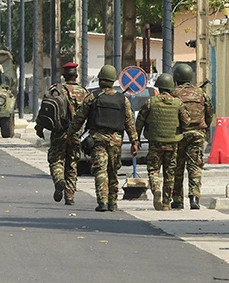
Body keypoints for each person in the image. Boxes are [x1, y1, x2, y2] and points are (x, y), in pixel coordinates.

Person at [67, 64, 137, 212]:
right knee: (113, 170)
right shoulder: (122, 100)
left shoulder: (92, 97)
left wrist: (70, 133)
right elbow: (130, 122)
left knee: (100, 170)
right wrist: (134, 142)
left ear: (100, 80)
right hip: (116, 141)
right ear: (113, 81)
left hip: (98, 140)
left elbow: (79, 118)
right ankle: (113, 202)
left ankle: (102, 201)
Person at [35, 58, 91, 206]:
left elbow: (44, 110)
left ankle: (59, 180)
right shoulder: (84, 92)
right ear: (76, 75)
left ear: (64, 75)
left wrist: (39, 128)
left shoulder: (55, 90)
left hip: (58, 132)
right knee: (72, 164)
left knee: (55, 160)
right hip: (76, 134)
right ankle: (70, 196)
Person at [170, 63, 213, 210]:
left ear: (176, 77)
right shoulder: (200, 93)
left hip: (179, 134)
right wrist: (204, 128)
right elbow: (209, 113)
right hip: (197, 134)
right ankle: (194, 198)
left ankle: (177, 200)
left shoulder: (173, 93)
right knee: (195, 167)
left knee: (177, 167)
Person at [136, 74, 182, 211]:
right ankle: (167, 203)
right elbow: (186, 121)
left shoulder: (150, 102)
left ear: (159, 87)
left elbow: (140, 122)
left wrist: (136, 139)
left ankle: (156, 189)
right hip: (172, 142)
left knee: (153, 170)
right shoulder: (178, 103)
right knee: (170, 172)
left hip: (155, 142)